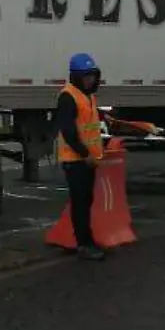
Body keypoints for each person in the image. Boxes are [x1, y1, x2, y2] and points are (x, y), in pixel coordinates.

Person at [53, 52, 109, 262]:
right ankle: (84, 243)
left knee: (86, 201)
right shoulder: (68, 97)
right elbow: (68, 131)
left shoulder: (88, 96)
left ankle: (85, 239)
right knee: (80, 202)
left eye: (92, 76)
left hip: (88, 160)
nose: (90, 80)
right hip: (76, 160)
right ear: (76, 77)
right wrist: (85, 154)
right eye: (86, 76)